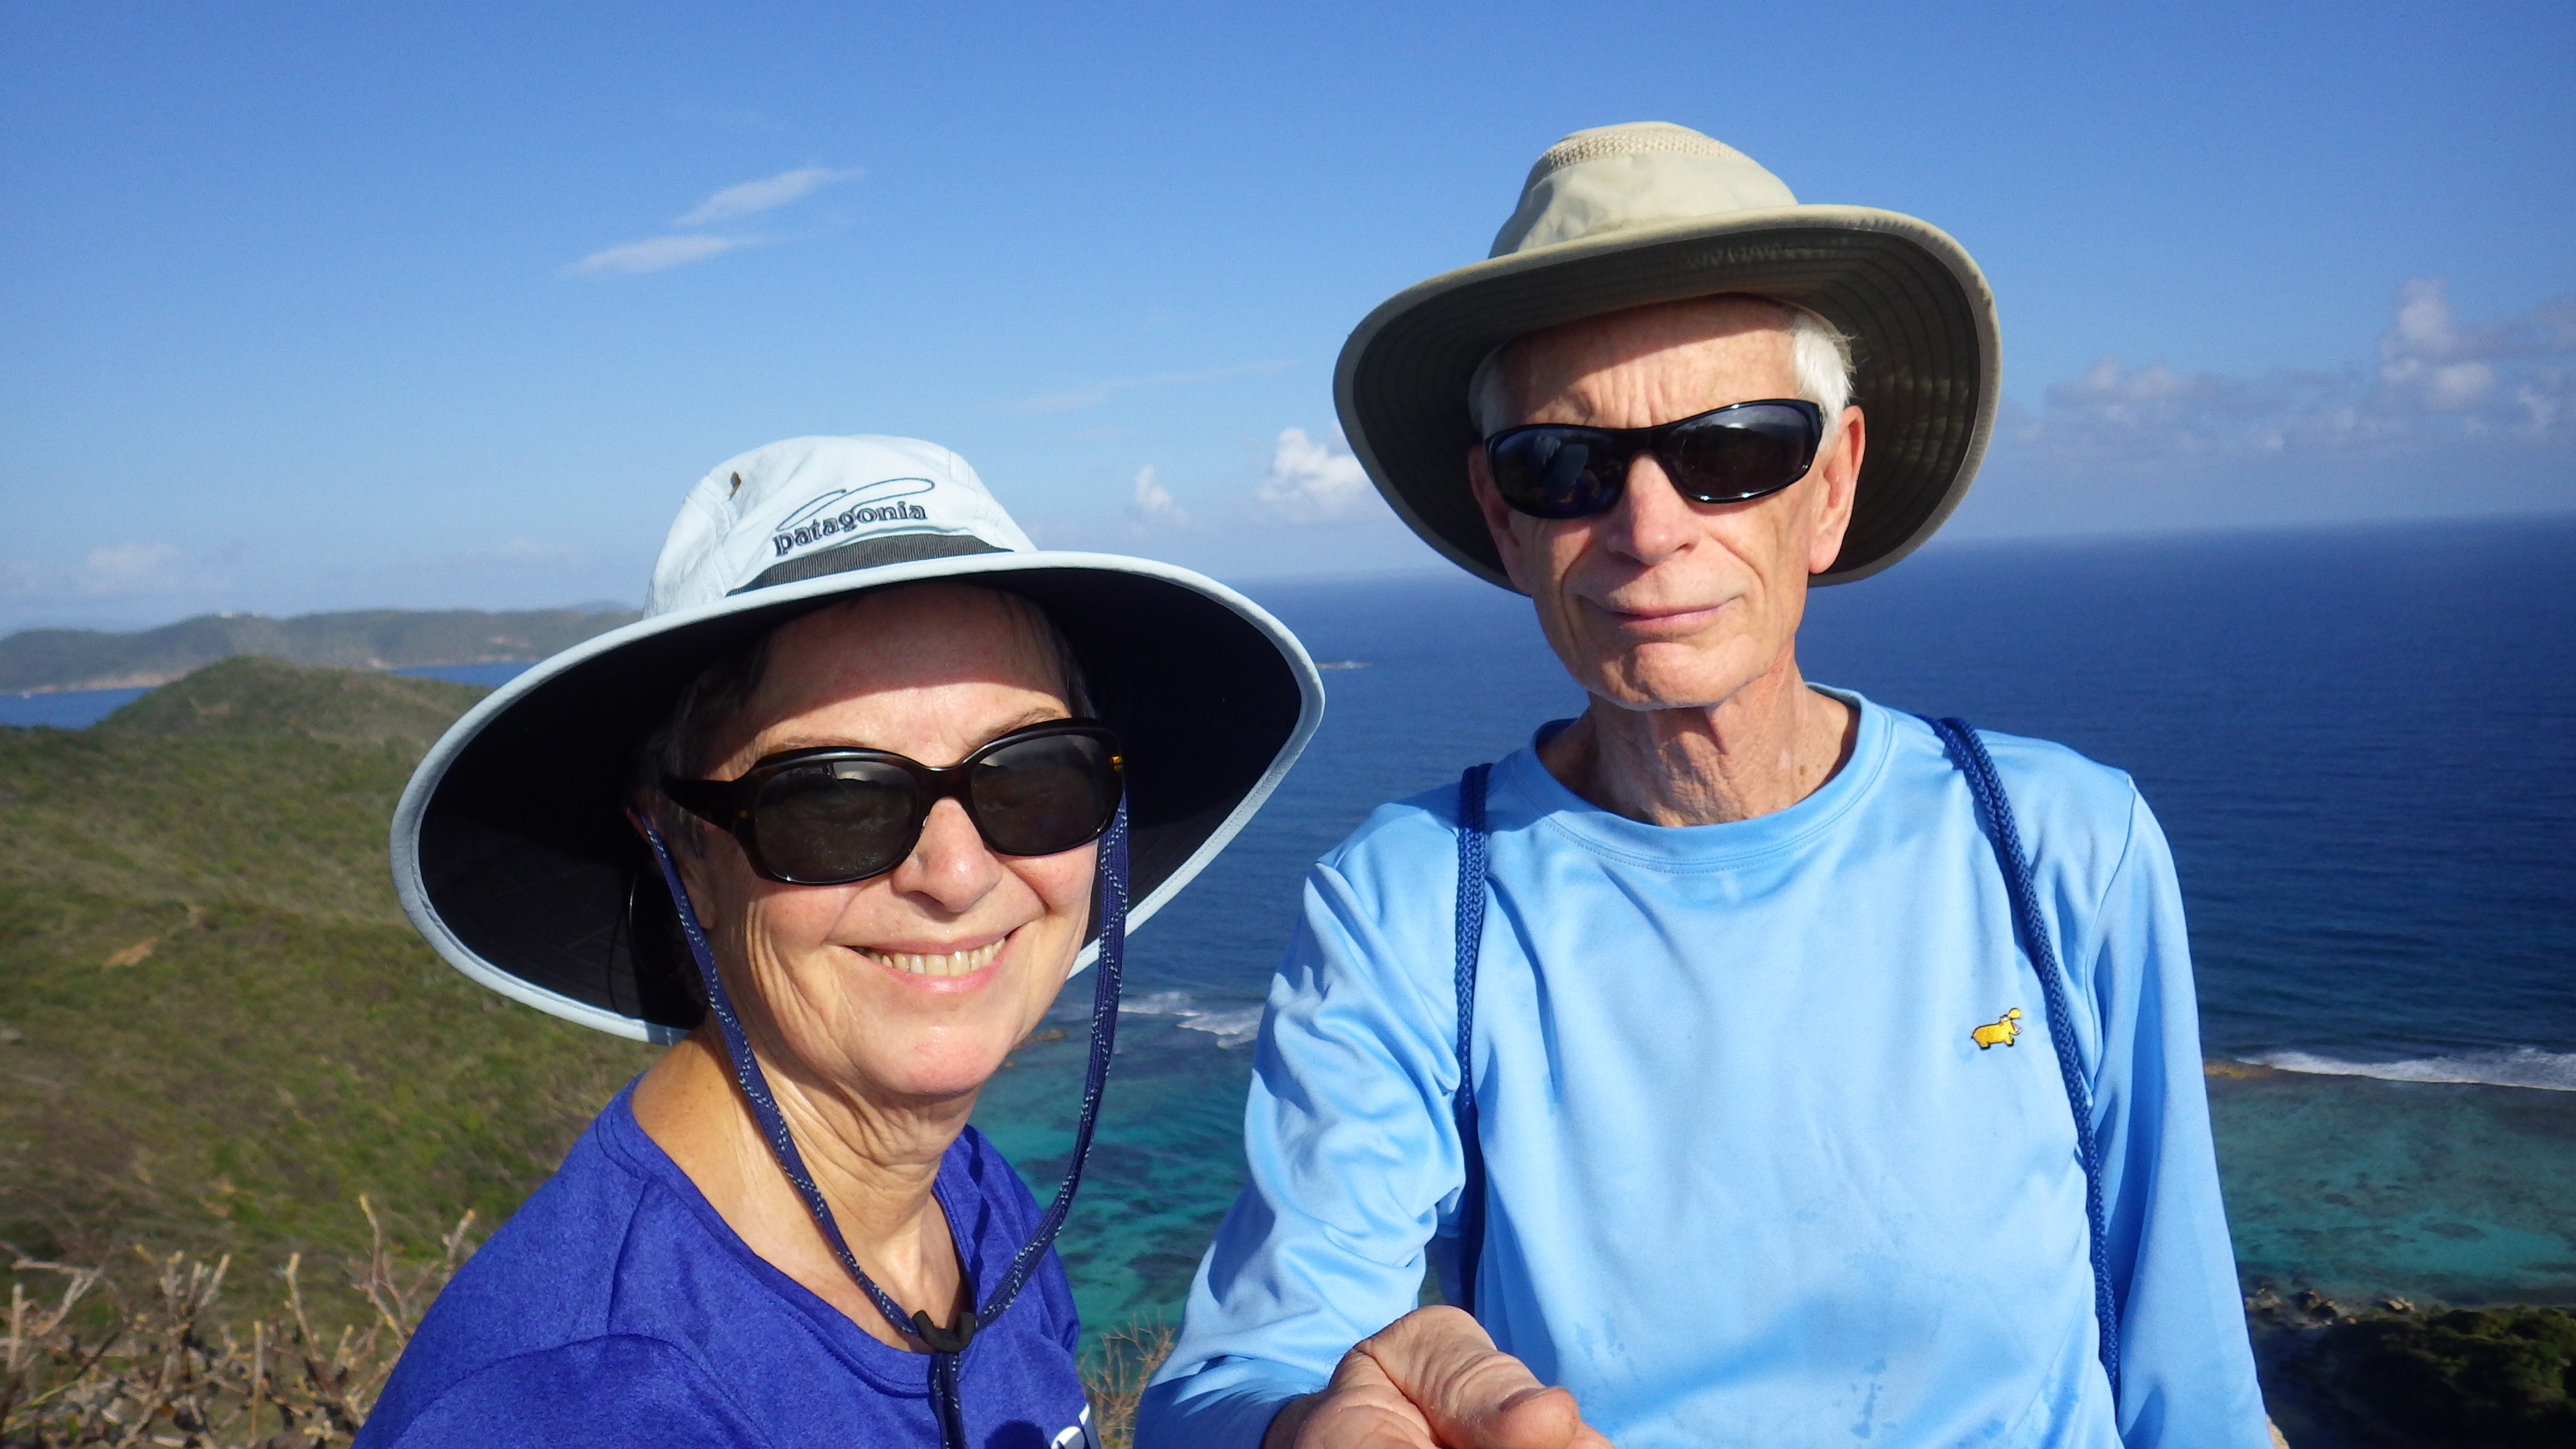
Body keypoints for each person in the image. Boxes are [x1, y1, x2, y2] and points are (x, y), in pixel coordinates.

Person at [1139, 124, 2272, 1448]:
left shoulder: (2060, 845)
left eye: (1732, 451)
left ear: (1832, 485)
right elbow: (1249, 1367)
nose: (1649, 526)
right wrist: (1306, 1429)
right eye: (1564, 466)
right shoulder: (1410, 906)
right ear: (1505, 519)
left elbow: (2188, 1372)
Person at [358, 435, 1321, 1448]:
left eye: (1033, 775)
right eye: (831, 800)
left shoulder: (967, 1198)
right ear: (684, 850)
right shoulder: (589, 1407)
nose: (956, 874)